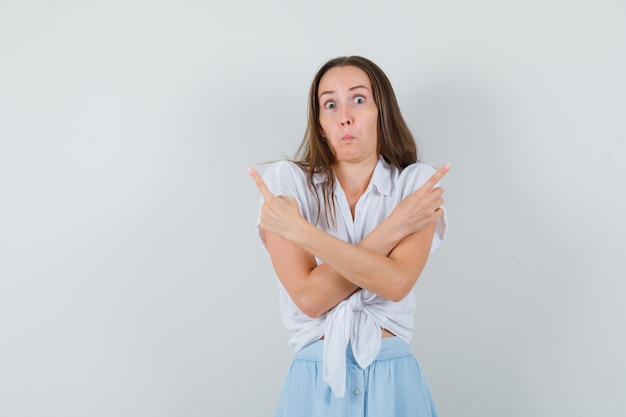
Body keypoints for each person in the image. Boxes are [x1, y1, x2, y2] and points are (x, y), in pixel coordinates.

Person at [249, 55, 450, 417]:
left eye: (358, 99)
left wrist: (302, 232)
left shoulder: (415, 183)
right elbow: (310, 298)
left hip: (394, 381)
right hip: (315, 381)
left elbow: (396, 282)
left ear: (381, 111)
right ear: (321, 123)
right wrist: (393, 228)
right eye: (330, 104)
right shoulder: (287, 182)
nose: (345, 115)